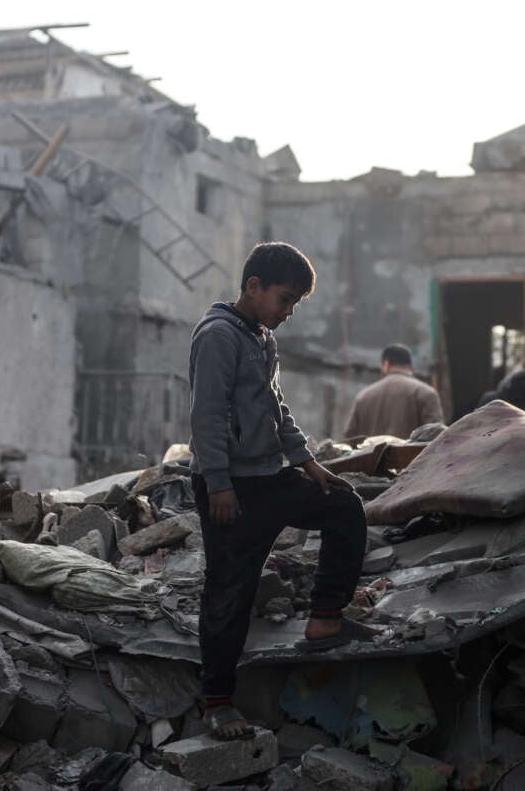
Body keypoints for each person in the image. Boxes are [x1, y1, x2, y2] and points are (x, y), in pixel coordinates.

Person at [189, 242, 371, 741]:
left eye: (295, 303)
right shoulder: (218, 337)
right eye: (284, 299)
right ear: (253, 287)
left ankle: (326, 618)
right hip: (230, 488)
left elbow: (275, 403)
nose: (288, 312)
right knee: (229, 592)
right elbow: (207, 416)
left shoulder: (260, 335)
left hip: (270, 476)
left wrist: (307, 460)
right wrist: (219, 485)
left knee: (345, 508)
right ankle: (218, 701)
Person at [344, 344, 444, 439]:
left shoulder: (363, 396)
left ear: (386, 364)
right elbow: (437, 438)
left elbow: (350, 437)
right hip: (413, 457)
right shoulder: (426, 393)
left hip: (372, 457)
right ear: (410, 366)